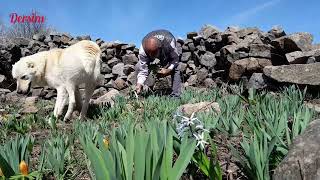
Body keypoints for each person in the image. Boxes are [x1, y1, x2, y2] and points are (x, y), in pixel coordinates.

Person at [135, 29, 181, 98]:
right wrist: (140, 83)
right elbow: (143, 70)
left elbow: (175, 60)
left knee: (176, 67)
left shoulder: (169, 42)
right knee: (138, 66)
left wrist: (168, 70)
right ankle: (140, 93)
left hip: (166, 54)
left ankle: (175, 96)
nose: (152, 56)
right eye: (150, 54)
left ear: (160, 48)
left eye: (154, 54)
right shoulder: (143, 51)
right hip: (156, 52)